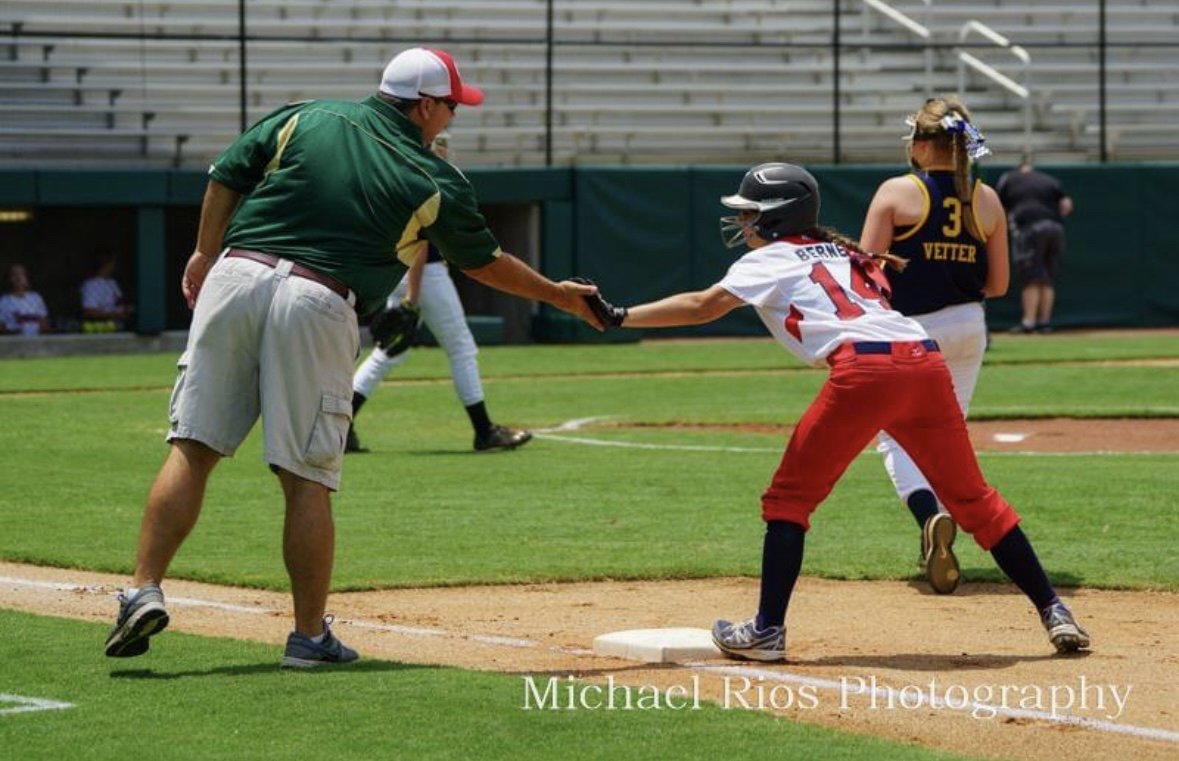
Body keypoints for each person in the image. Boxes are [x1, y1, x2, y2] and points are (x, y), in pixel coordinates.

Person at [103, 46, 603, 667]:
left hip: (236, 274)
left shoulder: (306, 116)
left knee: (193, 446)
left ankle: (141, 589)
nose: (452, 116)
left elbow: (226, 174)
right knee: (306, 476)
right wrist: (558, 294)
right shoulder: (435, 176)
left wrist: (205, 255)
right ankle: (309, 637)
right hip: (319, 297)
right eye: (450, 106)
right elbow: (485, 263)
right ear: (423, 106)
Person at [587, 162, 1088, 662]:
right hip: (923, 359)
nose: (742, 223)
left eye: (750, 212)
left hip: (865, 372)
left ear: (776, 216)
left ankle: (766, 631)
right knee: (974, 500)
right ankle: (1054, 609)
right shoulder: (848, 252)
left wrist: (619, 316)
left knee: (787, 500)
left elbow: (702, 306)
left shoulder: (773, 259)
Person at [858, 95, 1009, 595]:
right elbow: (1000, 284)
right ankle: (960, 519)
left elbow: (867, 274)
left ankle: (930, 515)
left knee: (895, 437)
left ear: (923, 145)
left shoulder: (897, 192)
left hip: (910, 330)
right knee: (949, 431)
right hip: (969, 325)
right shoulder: (985, 198)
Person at [348, 132, 532, 454]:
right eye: (440, 143)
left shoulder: (398, 172)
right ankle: (484, 431)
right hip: (424, 273)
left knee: (391, 351)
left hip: (398, 269)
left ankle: (342, 425)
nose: (445, 148)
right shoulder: (428, 178)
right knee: (461, 347)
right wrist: (412, 299)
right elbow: (421, 245)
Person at [996, 157, 1073, 334]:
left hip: (1029, 228)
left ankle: (1029, 322)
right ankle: (1044, 322)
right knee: (1046, 277)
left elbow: (999, 206)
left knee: (1031, 276)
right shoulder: (1050, 180)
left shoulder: (1009, 178)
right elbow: (1066, 206)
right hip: (1055, 228)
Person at [80, 249, 135, 332]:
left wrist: (127, 309)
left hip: (119, 328)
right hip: (101, 330)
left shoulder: (112, 282)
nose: (115, 266)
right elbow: (89, 312)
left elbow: (118, 303)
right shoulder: (91, 285)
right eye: (113, 263)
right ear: (107, 264)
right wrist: (115, 315)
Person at [0, 263, 51, 336]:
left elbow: (44, 322)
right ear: (9, 279)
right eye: (15, 274)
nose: (18, 277)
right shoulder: (4, 301)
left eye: (22, 274)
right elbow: (1, 326)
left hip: (36, 342)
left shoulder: (36, 298)